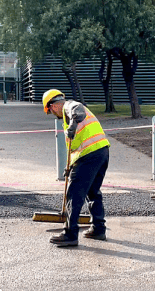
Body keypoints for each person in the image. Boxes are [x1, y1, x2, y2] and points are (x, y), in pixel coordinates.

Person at [42, 89, 110, 247]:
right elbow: (76, 147)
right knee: (93, 192)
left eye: (50, 109)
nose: (52, 112)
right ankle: (99, 229)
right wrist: (71, 167)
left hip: (90, 156)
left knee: (74, 195)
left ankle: (70, 234)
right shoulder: (67, 113)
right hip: (101, 152)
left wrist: (71, 126)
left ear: (54, 105)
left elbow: (78, 111)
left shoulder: (69, 106)